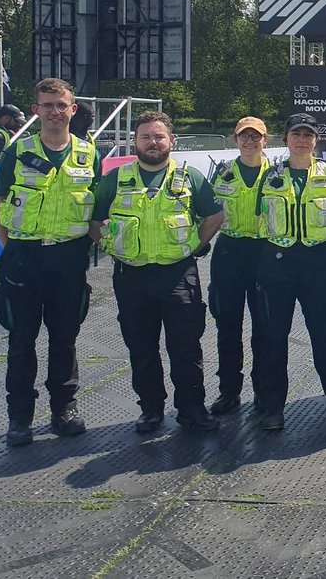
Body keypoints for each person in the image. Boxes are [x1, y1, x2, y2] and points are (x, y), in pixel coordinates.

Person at [90, 110, 224, 433]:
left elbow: (215, 215)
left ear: (171, 141)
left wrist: (193, 246)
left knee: (186, 346)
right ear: (134, 141)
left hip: (178, 275)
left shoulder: (190, 177)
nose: (153, 142)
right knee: (141, 346)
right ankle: (150, 410)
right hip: (132, 277)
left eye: (159, 136)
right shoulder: (116, 179)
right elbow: (92, 221)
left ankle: (192, 408)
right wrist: (110, 245)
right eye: (146, 136)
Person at [0, 78, 95, 446]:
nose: (54, 111)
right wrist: (12, 248)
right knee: (21, 341)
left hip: (68, 257)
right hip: (25, 257)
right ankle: (19, 418)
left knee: (65, 339)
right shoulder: (17, 152)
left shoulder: (88, 153)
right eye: (47, 105)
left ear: (72, 109)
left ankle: (64, 408)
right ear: (36, 110)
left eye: (60, 105)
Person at [255, 113, 326, 429]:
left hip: (320, 264)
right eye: (296, 134)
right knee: (273, 337)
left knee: (325, 334)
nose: (302, 140)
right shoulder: (269, 177)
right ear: (285, 139)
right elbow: (261, 217)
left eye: (308, 135)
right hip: (278, 264)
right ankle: (273, 408)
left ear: (316, 140)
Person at [206, 117, 271, 415]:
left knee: (265, 328)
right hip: (229, 253)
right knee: (227, 326)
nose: (249, 141)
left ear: (265, 140)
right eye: (244, 136)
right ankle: (228, 391)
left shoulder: (276, 174)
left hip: (264, 253)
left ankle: (262, 391)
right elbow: (204, 213)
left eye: (255, 136)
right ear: (235, 140)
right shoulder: (221, 174)